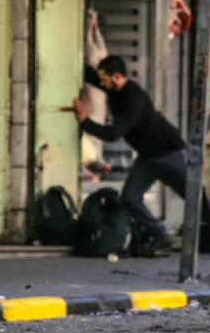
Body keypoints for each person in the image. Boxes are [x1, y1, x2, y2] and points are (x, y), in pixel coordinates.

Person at [72, 55, 187, 256]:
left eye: (104, 79)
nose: (101, 84)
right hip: (147, 158)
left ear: (116, 76)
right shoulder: (112, 87)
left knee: (194, 196)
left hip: (169, 153)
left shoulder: (134, 99)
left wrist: (85, 121)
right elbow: (90, 75)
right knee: (130, 198)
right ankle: (161, 235)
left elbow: (113, 134)